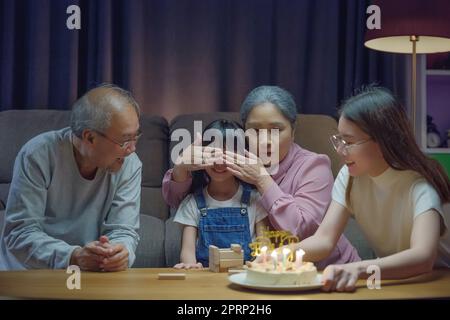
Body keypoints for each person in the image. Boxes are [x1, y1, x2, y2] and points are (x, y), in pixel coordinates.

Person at [164, 86, 360, 269]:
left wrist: (262, 179)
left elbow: (303, 231)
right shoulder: (233, 162)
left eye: (276, 130)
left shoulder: (314, 166)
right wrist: (181, 167)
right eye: (255, 131)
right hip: (263, 273)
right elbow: (182, 203)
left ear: (293, 132)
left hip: (326, 270)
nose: (265, 141)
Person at [288, 86, 450, 291]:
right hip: (395, 282)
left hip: (437, 283)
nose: (339, 150)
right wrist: (277, 256)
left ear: (383, 141)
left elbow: (423, 257)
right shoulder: (350, 176)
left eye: (348, 142)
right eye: (339, 140)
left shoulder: (419, 186)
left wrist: (356, 269)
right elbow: (324, 240)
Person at [0, 84, 142, 271]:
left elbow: (124, 230)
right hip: (29, 274)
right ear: (89, 138)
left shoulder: (129, 162)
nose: (132, 148)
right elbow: (19, 233)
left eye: (136, 137)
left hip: (90, 274)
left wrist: (120, 253)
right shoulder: (37, 155)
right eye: (125, 140)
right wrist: (73, 256)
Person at [173, 119, 268, 269]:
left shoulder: (255, 199)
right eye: (213, 152)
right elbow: (187, 253)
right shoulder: (192, 203)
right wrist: (190, 266)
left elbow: (264, 249)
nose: (219, 161)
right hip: (205, 283)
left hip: (246, 278)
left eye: (227, 154)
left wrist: (259, 264)